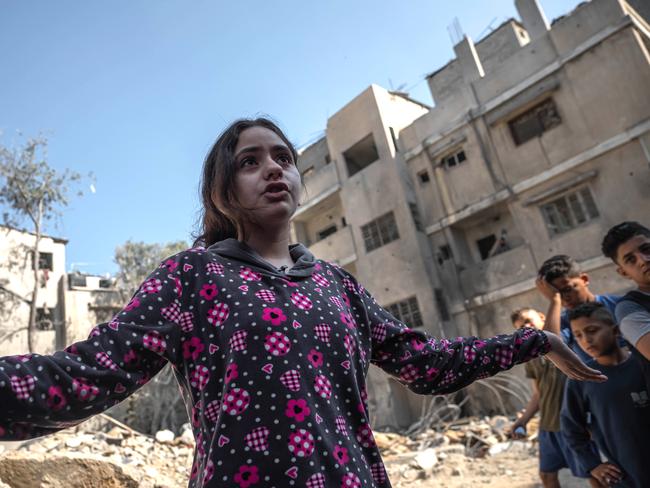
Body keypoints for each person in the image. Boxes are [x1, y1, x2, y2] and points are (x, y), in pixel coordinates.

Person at [0, 118, 606, 488]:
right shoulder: (190, 276)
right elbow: (86, 374)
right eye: (249, 161)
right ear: (222, 190)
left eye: (283, 158)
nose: (272, 169)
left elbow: (426, 362)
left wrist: (536, 340)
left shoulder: (338, 286)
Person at [561, 302, 650, 488]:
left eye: (592, 330)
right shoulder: (583, 377)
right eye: (578, 335)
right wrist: (593, 464)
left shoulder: (643, 362)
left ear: (616, 330)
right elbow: (571, 427)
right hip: (627, 475)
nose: (586, 340)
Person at [509, 308, 599, 488]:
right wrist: (523, 420)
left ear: (542, 317)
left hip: (573, 423)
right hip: (548, 427)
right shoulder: (531, 359)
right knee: (546, 475)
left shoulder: (566, 343)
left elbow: (553, 335)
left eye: (529, 320)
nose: (526, 326)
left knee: (594, 473)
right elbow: (539, 394)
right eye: (521, 327)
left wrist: (554, 300)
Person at [536, 255, 620, 362]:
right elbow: (549, 349)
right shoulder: (565, 323)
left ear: (584, 280)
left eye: (567, 289)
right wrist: (554, 301)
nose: (564, 298)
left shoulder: (618, 305)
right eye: (556, 294)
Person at [601, 222, 650, 391]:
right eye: (631, 259)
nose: (643, 260)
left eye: (646, 249)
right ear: (623, 272)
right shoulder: (629, 309)